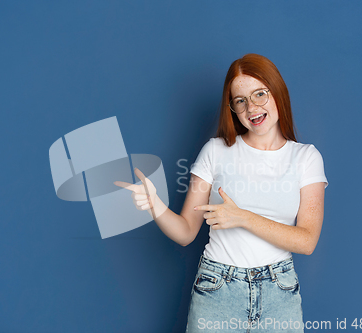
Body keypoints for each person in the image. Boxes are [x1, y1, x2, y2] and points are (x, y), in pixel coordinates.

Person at [114, 53, 328, 333]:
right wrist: (155, 205)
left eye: (260, 94)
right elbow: (186, 231)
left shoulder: (306, 158)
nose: (252, 107)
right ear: (233, 109)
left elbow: (307, 240)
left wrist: (242, 217)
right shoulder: (216, 151)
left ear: (277, 92)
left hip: (279, 291)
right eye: (241, 100)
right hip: (218, 288)